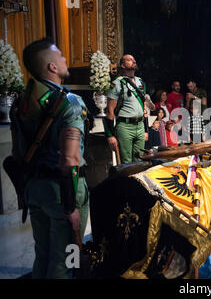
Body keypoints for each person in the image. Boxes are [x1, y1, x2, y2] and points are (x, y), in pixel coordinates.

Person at [9, 38, 90, 278]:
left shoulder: (21, 104)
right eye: (61, 56)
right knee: (66, 259)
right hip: (63, 191)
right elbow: (70, 160)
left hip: (34, 189)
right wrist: (70, 206)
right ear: (52, 67)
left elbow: (16, 155)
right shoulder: (70, 102)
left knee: (42, 255)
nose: (65, 59)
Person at [104, 54, 155, 164]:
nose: (134, 61)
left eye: (134, 60)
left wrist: (146, 130)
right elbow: (109, 110)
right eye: (130, 60)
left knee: (140, 160)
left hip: (140, 126)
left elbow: (144, 108)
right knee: (126, 162)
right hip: (125, 127)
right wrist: (110, 135)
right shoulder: (116, 83)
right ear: (122, 65)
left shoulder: (140, 82)